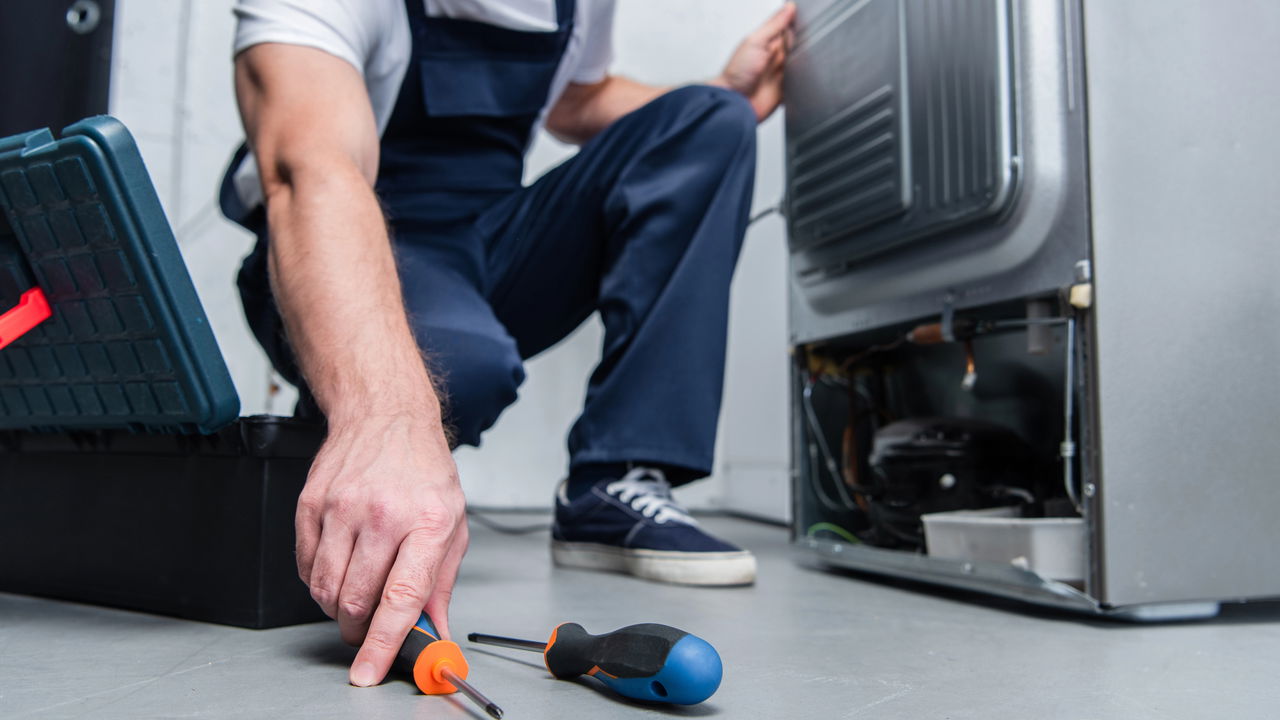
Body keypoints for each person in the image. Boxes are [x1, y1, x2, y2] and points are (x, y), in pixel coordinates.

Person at [219, 0, 795, 688]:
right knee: (452, 376)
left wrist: (724, 88)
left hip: (486, 235)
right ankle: (350, 460)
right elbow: (311, 170)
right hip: (345, 228)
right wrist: (388, 418)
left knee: (711, 118)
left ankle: (612, 486)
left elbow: (576, 100)